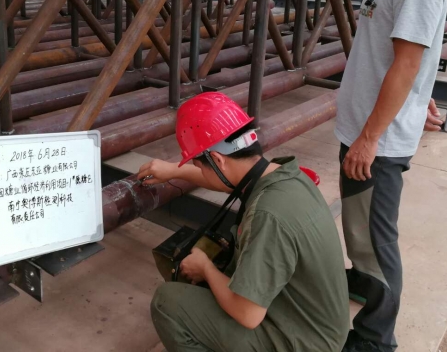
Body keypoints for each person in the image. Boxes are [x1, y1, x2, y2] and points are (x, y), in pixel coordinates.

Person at [328, 0, 447, 351]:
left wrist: (371, 137)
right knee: (362, 238)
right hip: (362, 133)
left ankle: (376, 340)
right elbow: (406, 55)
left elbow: (404, 65)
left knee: (376, 245)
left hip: (374, 144)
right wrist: (422, 95)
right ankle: (367, 293)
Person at [142, 92, 349, 351]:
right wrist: (173, 170)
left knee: (168, 303)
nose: (201, 171)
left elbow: (247, 314)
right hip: (318, 326)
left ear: (218, 160)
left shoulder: (267, 216)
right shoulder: (285, 177)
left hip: (305, 343)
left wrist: (205, 267)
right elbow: (226, 179)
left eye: (200, 165)